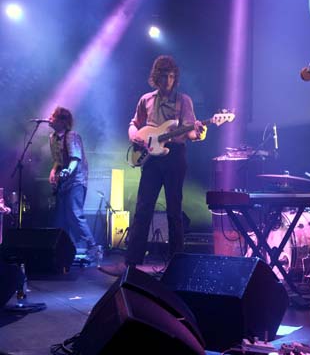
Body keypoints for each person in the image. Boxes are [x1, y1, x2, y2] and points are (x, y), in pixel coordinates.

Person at [100, 55, 206, 277]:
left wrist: (197, 133)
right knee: (142, 209)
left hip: (174, 156)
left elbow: (190, 131)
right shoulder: (145, 99)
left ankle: (177, 266)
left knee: (174, 211)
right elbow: (134, 123)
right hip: (151, 158)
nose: (168, 80)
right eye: (164, 75)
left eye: (171, 76)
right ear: (155, 77)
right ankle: (130, 265)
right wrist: (134, 136)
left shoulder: (183, 101)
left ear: (175, 77)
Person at [48, 106, 100, 262]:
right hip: (64, 183)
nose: (50, 118)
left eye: (53, 116)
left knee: (75, 214)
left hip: (76, 180)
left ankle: (93, 247)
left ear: (63, 121)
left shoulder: (72, 136)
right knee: (63, 218)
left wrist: (67, 172)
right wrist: (53, 171)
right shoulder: (52, 138)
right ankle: (67, 250)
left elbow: (75, 159)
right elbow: (58, 160)